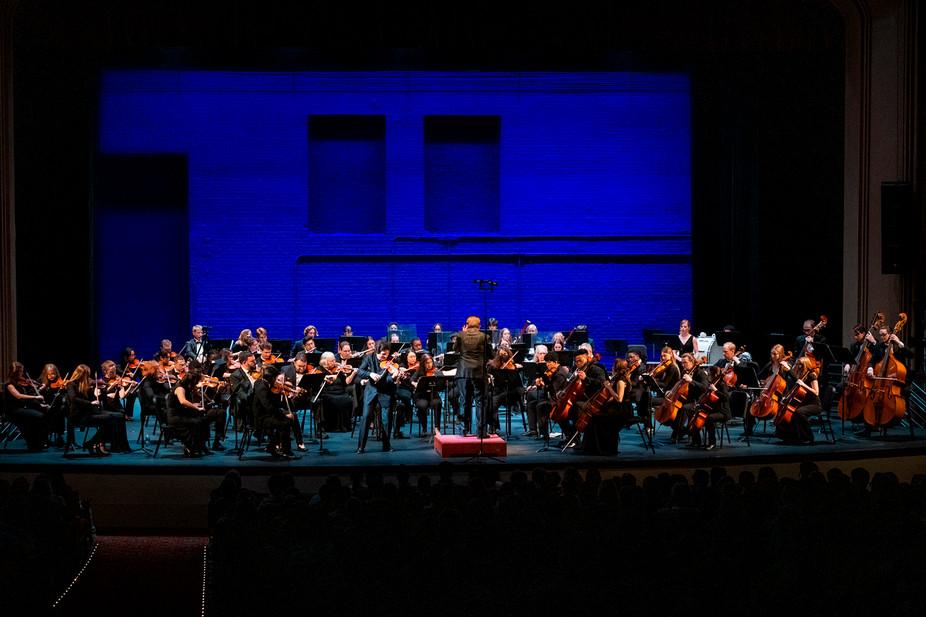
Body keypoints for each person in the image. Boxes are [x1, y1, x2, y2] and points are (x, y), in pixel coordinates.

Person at [66, 364, 130, 454]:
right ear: (81, 375)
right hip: (80, 415)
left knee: (119, 415)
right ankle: (96, 443)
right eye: (87, 375)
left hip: (90, 411)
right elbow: (74, 399)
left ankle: (116, 445)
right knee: (108, 418)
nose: (89, 378)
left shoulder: (86, 384)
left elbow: (93, 397)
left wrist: (97, 394)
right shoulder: (71, 384)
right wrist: (90, 403)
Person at [580, 358, 633, 455]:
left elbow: (619, 399)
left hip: (622, 409)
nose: (612, 367)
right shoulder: (618, 378)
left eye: (614, 365)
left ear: (617, 368)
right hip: (617, 407)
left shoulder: (621, 380)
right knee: (594, 417)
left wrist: (608, 387)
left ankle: (601, 449)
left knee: (597, 419)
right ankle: (593, 448)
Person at [355, 339, 398, 453]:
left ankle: (387, 445)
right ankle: (361, 447)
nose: (385, 356)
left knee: (386, 419)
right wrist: (371, 374)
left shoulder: (390, 362)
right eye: (383, 354)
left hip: (385, 392)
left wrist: (393, 377)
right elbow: (360, 371)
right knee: (366, 417)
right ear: (377, 352)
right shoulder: (369, 358)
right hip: (371, 391)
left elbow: (388, 379)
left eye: (387, 354)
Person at [454, 316, 494, 437]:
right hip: (478, 372)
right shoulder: (484, 337)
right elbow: (491, 354)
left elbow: (455, 350)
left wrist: (463, 333)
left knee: (464, 401)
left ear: (466, 325)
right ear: (479, 326)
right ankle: (481, 431)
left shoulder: (461, 335)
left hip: (463, 372)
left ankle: (463, 429)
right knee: (481, 401)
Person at [774, 356, 822, 445]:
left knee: (799, 413)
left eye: (798, 364)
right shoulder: (801, 375)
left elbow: (816, 392)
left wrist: (803, 385)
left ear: (804, 365)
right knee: (790, 412)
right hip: (804, 403)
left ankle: (809, 437)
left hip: (814, 404)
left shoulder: (811, 375)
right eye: (796, 364)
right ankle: (792, 437)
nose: (796, 366)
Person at [4, 362, 49, 451]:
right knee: (38, 416)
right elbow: (18, 396)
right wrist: (36, 396)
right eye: (20, 371)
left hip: (21, 409)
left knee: (40, 415)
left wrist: (40, 404)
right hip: (13, 410)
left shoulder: (20, 384)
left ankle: (38, 443)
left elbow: (28, 399)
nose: (23, 373)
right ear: (16, 372)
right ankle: (35, 444)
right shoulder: (9, 384)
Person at [252, 365, 295, 458]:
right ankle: (285, 450)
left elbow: (273, 404)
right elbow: (268, 407)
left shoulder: (264, 383)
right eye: (275, 378)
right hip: (261, 417)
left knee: (288, 421)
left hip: (267, 414)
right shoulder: (261, 387)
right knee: (285, 423)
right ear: (272, 378)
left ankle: (272, 446)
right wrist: (284, 414)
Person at [686, 365, 731, 450]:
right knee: (691, 412)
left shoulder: (722, 384)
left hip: (723, 412)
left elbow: (725, 397)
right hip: (714, 410)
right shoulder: (712, 383)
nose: (707, 377)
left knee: (709, 418)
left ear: (714, 375)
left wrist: (716, 390)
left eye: (709, 375)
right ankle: (696, 441)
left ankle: (712, 443)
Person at [166, 372, 208, 457]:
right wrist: (196, 408)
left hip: (181, 414)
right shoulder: (180, 388)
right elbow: (183, 401)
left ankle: (200, 445)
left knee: (203, 420)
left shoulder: (184, 387)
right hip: (175, 417)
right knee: (196, 422)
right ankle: (191, 447)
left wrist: (194, 405)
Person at [412, 354, 454, 436]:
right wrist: (415, 384)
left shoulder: (436, 371)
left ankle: (437, 428)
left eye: (431, 363)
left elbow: (442, 385)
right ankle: (424, 427)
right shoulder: (419, 371)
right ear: (423, 364)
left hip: (433, 394)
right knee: (422, 405)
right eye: (427, 363)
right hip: (421, 396)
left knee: (437, 403)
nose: (429, 365)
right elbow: (412, 380)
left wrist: (441, 379)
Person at [315, 351, 356, 435]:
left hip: (340, 391)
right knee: (336, 401)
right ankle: (333, 427)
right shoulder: (319, 370)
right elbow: (317, 385)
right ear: (325, 361)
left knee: (347, 399)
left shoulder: (338, 369)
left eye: (334, 360)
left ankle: (345, 425)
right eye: (331, 361)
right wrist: (327, 378)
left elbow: (346, 382)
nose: (335, 362)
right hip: (327, 393)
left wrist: (353, 373)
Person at [534, 351, 569, 440]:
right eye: (546, 363)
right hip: (552, 398)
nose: (547, 365)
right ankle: (542, 433)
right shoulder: (552, 372)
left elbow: (553, 388)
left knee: (541, 406)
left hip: (558, 401)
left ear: (556, 362)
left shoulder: (560, 373)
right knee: (538, 405)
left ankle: (544, 433)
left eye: (549, 363)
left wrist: (544, 384)